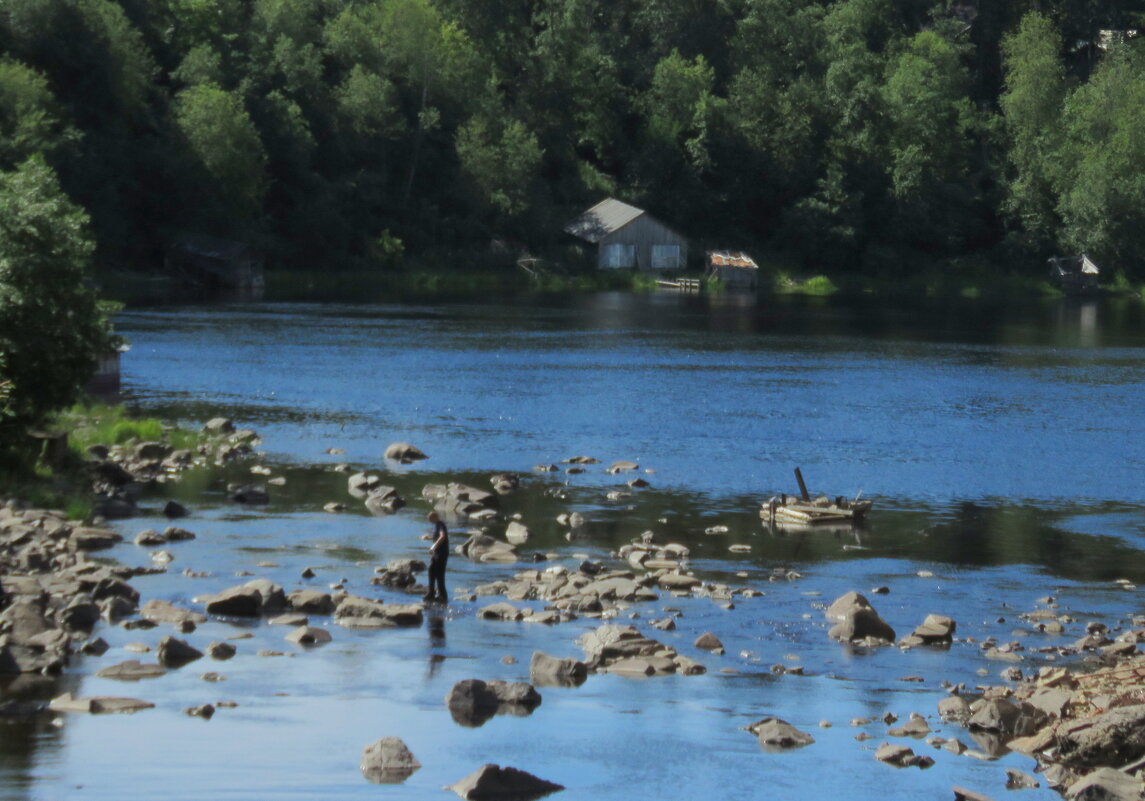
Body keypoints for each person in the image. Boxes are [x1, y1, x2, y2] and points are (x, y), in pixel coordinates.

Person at [424, 511, 448, 602]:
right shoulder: (435, 525)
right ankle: (431, 593)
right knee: (431, 570)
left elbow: (442, 536)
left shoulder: (441, 525)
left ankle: (442, 595)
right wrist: (429, 537)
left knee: (439, 574)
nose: (429, 521)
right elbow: (437, 536)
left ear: (434, 517)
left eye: (430, 519)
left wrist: (433, 547)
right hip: (436, 554)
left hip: (442, 553)